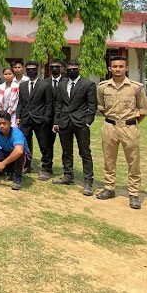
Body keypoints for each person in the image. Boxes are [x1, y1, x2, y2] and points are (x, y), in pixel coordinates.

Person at [96, 55, 147, 209]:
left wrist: (131, 123)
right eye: (115, 66)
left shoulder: (136, 87)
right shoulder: (103, 87)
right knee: (109, 159)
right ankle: (109, 188)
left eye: (121, 66)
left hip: (129, 127)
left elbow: (143, 110)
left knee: (133, 161)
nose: (117, 69)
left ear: (126, 68)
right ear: (110, 68)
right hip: (109, 127)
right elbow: (102, 107)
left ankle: (133, 193)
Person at [51, 60, 97, 196]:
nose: (71, 71)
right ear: (65, 69)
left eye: (74, 69)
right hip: (64, 122)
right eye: (69, 69)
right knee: (66, 151)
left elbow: (92, 105)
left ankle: (88, 181)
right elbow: (58, 104)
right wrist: (56, 121)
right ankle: (68, 175)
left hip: (80, 123)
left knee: (85, 152)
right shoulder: (62, 84)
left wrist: (88, 121)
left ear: (79, 69)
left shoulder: (88, 84)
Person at [16, 60, 53, 179]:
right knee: (24, 143)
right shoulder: (22, 85)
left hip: (40, 119)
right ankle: (26, 165)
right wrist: (18, 117)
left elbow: (49, 104)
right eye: (29, 69)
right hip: (26, 119)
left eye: (33, 69)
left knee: (44, 145)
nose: (31, 71)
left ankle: (46, 168)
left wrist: (46, 118)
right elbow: (20, 103)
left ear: (37, 70)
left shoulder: (45, 85)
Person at [0, 111, 30, 190]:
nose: (1, 126)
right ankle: (8, 171)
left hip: (23, 157)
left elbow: (19, 151)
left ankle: (17, 178)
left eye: (4, 123)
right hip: (7, 152)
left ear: (10, 123)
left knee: (20, 154)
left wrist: (3, 163)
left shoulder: (17, 133)